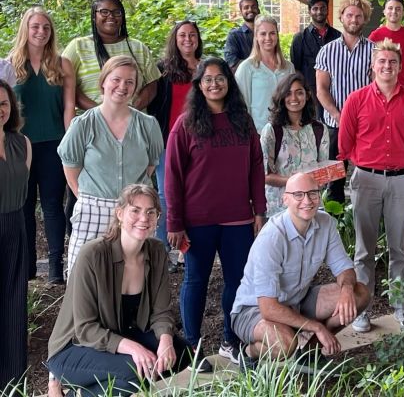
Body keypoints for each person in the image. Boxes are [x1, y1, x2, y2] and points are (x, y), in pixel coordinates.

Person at [165, 57, 266, 370]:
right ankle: (192, 349)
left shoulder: (243, 122)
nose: (214, 84)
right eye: (207, 79)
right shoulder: (185, 125)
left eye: (220, 78)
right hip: (198, 220)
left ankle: (230, 341)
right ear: (198, 84)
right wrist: (174, 221)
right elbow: (173, 175)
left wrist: (259, 210)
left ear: (229, 83)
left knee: (237, 282)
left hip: (238, 217)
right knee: (196, 281)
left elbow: (256, 167)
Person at [47, 185, 192, 397]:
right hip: (74, 347)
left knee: (184, 354)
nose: (144, 218)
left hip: (121, 334)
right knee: (135, 374)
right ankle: (66, 390)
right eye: (135, 210)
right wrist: (135, 349)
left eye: (151, 212)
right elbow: (85, 328)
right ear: (120, 213)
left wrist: (166, 341)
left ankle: (90, 388)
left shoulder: (157, 250)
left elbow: (161, 312)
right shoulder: (93, 254)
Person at [231, 172, 369, 367]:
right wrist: (317, 327)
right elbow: (268, 307)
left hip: (296, 299)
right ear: (285, 199)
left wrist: (347, 289)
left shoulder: (325, 223)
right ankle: (248, 353)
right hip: (253, 310)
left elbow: (344, 268)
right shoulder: (272, 236)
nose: (307, 200)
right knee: (285, 344)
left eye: (313, 193)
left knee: (360, 293)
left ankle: (309, 355)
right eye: (298, 195)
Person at [338, 38, 404, 332]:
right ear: (372, 66)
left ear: (400, 67)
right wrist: (366, 164)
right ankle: (362, 310)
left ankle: (401, 306)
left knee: (400, 248)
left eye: (392, 62)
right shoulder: (357, 99)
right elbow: (345, 143)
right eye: (381, 62)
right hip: (366, 180)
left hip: (402, 181)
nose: (387, 66)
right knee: (363, 249)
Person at [58, 56, 163, 275]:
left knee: (132, 277)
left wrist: (130, 202)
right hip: (93, 209)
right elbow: (71, 171)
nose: (122, 86)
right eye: (116, 79)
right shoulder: (83, 125)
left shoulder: (148, 125)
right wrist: (94, 199)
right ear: (104, 81)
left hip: (135, 213)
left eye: (129, 82)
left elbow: (150, 165)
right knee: (84, 276)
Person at [10, 7, 75, 283]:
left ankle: (56, 269)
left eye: (46, 27)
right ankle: (27, 268)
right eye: (35, 26)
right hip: (19, 145)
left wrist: (68, 143)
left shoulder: (62, 65)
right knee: (23, 206)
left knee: (51, 205)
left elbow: (69, 109)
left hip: (53, 144)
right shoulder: (9, 65)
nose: (40, 32)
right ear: (26, 29)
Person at [147, 20, 202, 262]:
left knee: (194, 195)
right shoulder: (163, 70)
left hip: (199, 143)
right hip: (168, 141)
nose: (188, 39)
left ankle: (188, 250)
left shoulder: (205, 68)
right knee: (166, 196)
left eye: (192, 35)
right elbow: (152, 105)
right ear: (175, 39)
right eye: (182, 35)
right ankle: (162, 251)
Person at [315, 0, 373, 204]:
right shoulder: (327, 51)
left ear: (365, 19)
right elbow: (321, 90)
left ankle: (363, 221)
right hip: (335, 125)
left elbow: (377, 89)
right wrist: (338, 116)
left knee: (367, 178)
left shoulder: (374, 51)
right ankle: (334, 224)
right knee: (334, 181)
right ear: (341, 17)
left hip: (366, 126)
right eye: (349, 15)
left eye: (359, 16)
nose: (354, 19)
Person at [62, 0, 161, 111]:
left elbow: (152, 85)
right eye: (104, 12)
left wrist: (130, 110)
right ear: (94, 16)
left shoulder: (138, 47)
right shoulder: (78, 46)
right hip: (90, 123)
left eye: (116, 12)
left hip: (131, 122)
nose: (111, 16)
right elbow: (64, 82)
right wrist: (102, 113)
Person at [260, 73, 329, 215]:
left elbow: (323, 170)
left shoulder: (319, 129)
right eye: (288, 93)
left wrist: (322, 179)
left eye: (299, 93)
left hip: (310, 206)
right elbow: (265, 175)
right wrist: (299, 182)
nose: (294, 98)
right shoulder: (272, 130)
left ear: (307, 95)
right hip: (280, 208)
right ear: (282, 97)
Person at [0, 80, 32, 391]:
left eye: (4, 104)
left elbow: (22, 189)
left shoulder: (22, 143)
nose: (0, 110)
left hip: (15, 227)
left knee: (13, 303)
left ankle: (11, 381)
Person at [235, 15, 295, 133]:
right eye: (263, 34)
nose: (268, 38)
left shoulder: (289, 67)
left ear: (277, 36)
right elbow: (241, 105)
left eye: (272, 33)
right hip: (258, 133)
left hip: (286, 132)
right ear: (256, 36)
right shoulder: (246, 67)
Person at [290, 0, 341, 120]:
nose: (319, 12)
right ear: (309, 11)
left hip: (335, 96)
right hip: (310, 99)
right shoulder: (299, 39)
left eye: (322, 8)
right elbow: (295, 70)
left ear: (327, 10)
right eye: (315, 8)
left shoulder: (338, 37)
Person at [368, 0, 404, 90]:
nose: (394, 12)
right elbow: (371, 65)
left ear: (403, 12)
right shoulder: (375, 36)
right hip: (382, 90)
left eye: (398, 9)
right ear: (384, 11)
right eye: (390, 8)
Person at [223, 0, 260, 73]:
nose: (250, 10)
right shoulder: (234, 35)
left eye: (253, 7)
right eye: (246, 7)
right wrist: (259, 67)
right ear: (241, 12)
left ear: (258, 10)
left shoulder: (266, 34)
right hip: (242, 81)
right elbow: (231, 62)